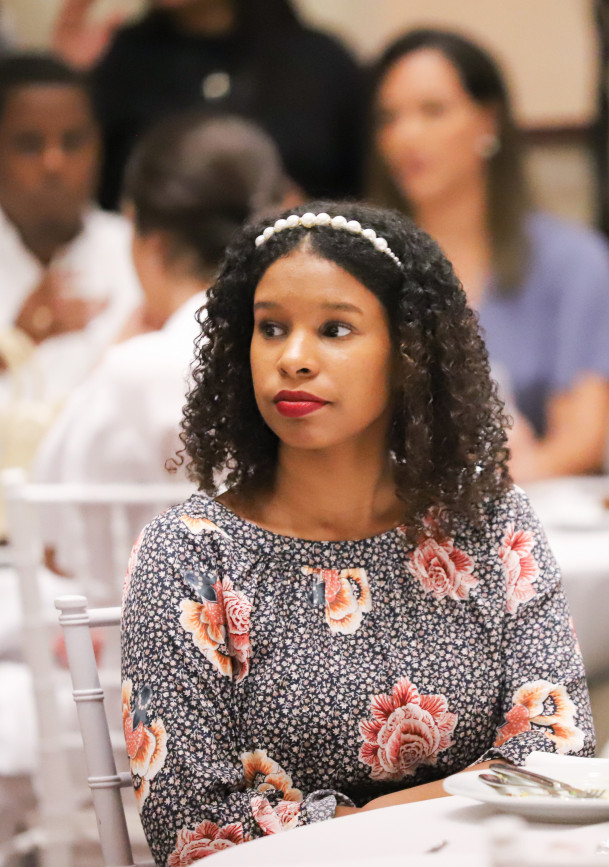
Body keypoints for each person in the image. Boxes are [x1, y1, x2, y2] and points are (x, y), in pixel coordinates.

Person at [119, 201, 594, 864]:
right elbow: (191, 826)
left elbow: (557, 752)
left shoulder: (490, 527)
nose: (293, 358)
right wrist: (403, 821)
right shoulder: (189, 553)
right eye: (271, 328)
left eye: (334, 329)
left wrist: (370, 820)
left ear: (408, 353)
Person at [370, 29, 609, 481]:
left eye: (433, 111)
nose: (405, 135)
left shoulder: (574, 262)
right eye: (388, 118)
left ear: (489, 121)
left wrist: (484, 488)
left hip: (528, 504)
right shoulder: (361, 264)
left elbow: (582, 441)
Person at [30, 112, 292, 582]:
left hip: (139, 623)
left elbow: (53, 543)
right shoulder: (313, 349)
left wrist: (111, 358)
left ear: (149, 239)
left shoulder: (138, 368)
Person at [53, 0, 366, 209]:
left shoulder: (321, 62)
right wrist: (68, 83)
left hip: (296, 272)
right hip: (150, 279)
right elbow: (85, 199)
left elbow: (366, 196)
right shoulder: (115, 57)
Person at [0, 53, 139, 463]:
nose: (53, 163)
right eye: (29, 144)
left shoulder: (142, 254)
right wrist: (15, 343)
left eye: (73, 142)